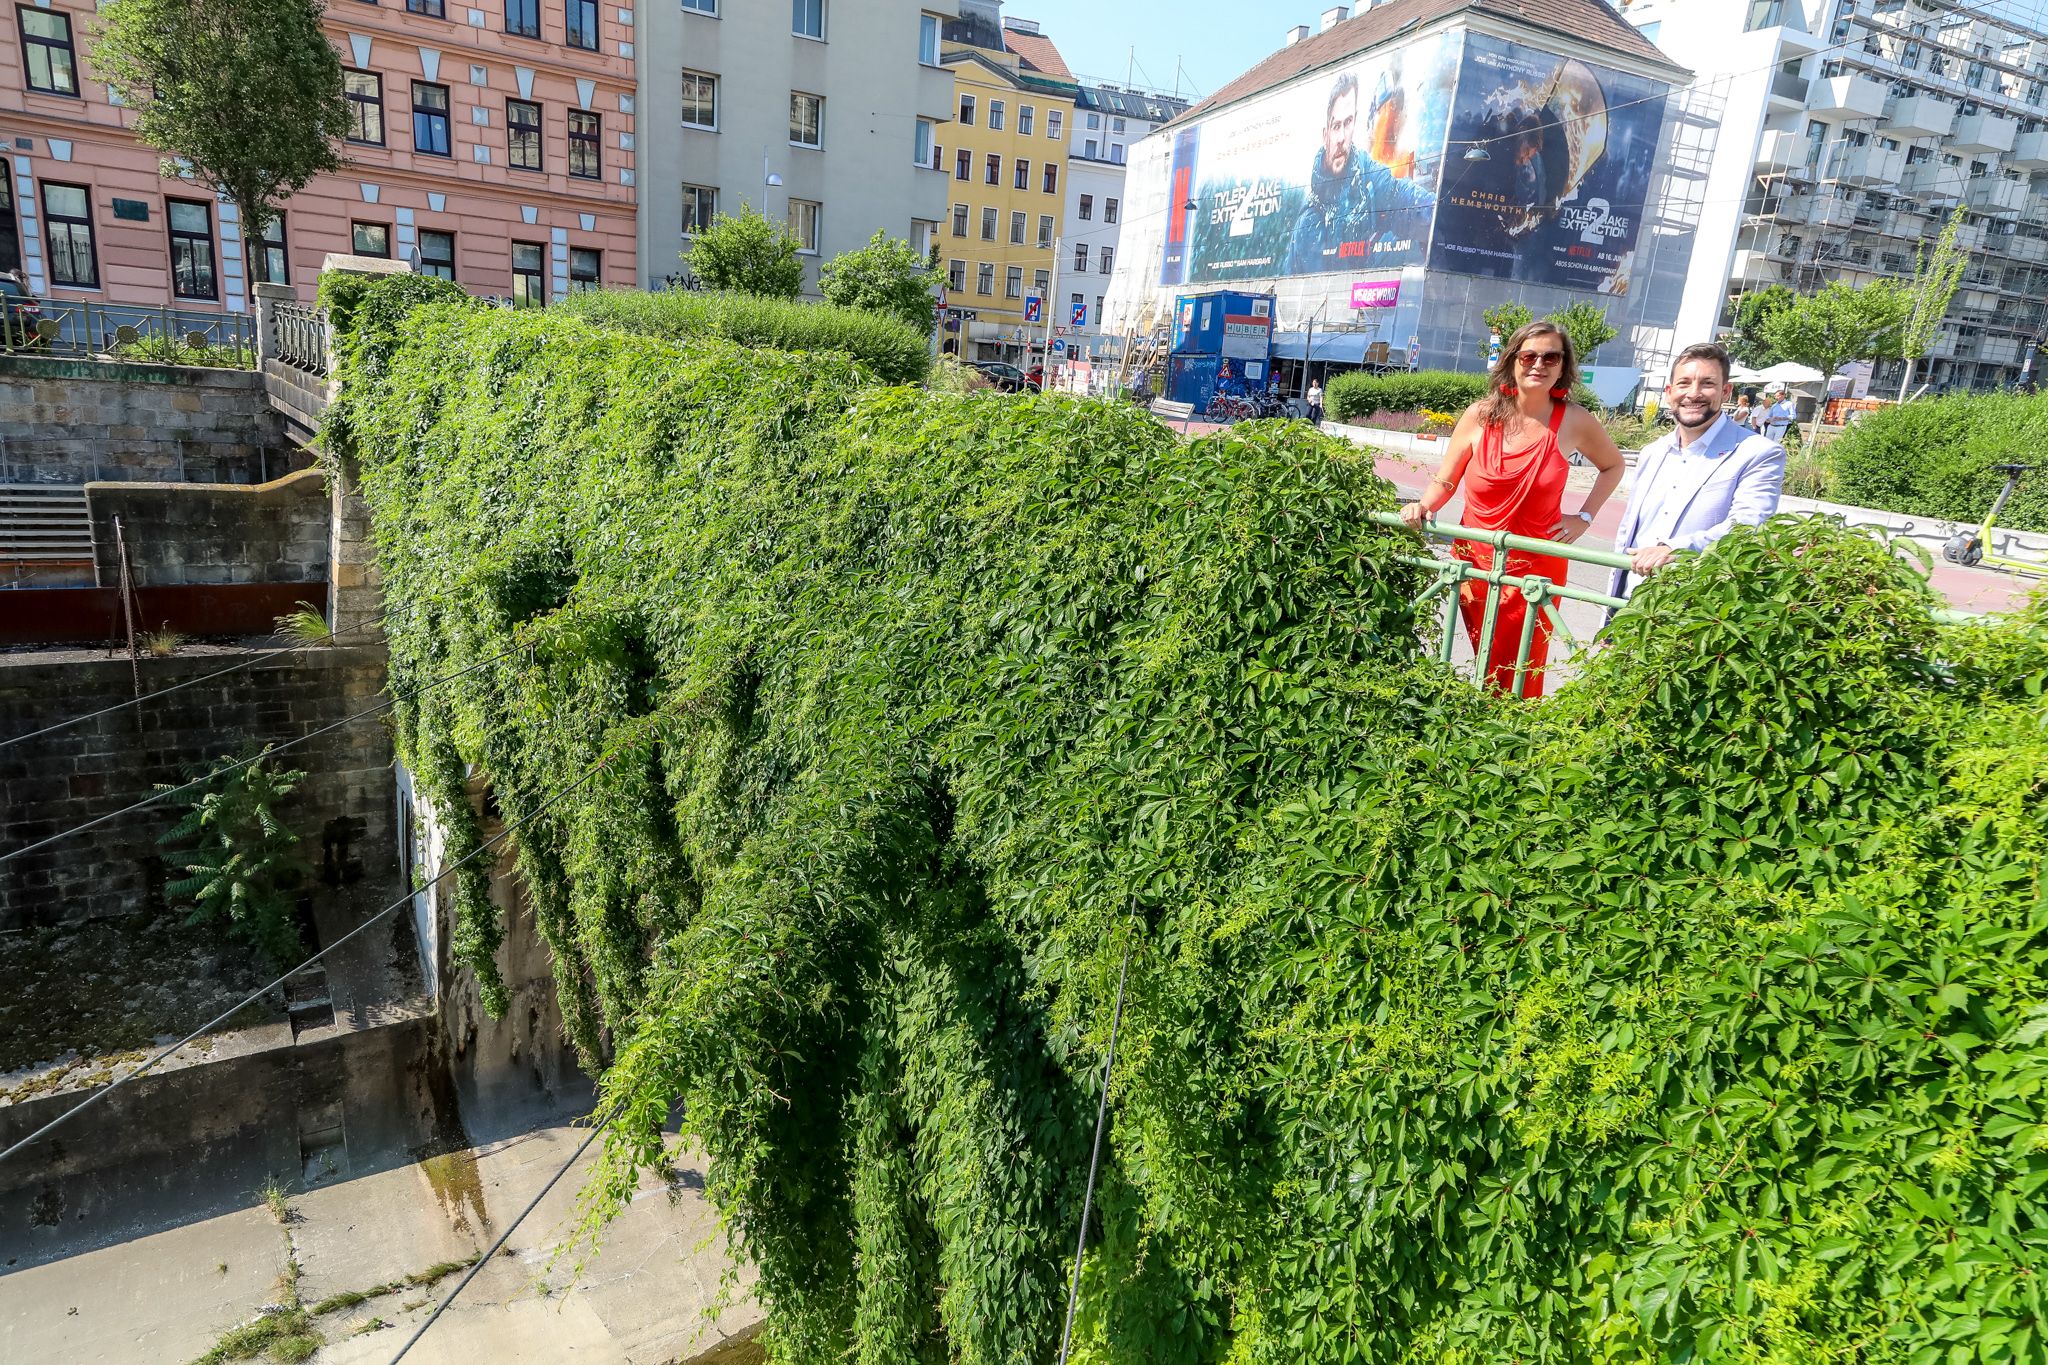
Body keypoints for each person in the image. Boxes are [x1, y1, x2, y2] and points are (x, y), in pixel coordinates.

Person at [1402, 321, 1627, 697]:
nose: (1539, 364)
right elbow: (1447, 478)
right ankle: (1480, 735)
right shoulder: (1479, 415)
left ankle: (1512, 741)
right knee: (1486, 660)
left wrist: (1584, 517)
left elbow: (1613, 465)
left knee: (1522, 668)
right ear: (1512, 361)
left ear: (1562, 366)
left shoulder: (1574, 420)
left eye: (1551, 356)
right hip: (1474, 560)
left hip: (1536, 569)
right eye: (1529, 356)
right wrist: (1423, 505)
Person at [1608, 342, 1788, 601]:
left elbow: (1747, 525)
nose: (1693, 393)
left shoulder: (1758, 453)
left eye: (1707, 383)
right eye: (1684, 383)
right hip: (1626, 604)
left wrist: (1674, 549)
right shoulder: (1653, 452)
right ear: (1669, 392)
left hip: (1695, 613)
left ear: (1726, 391)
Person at [1286, 73, 1433, 276]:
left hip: (1368, 297)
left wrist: (1444, 213)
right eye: (1336, 126)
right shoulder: (1306, 222)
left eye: (1348, 123)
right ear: (1325, 134)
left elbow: (1405, 197)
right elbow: (1289, 278)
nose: (1342, 138)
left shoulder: (1370, 176)